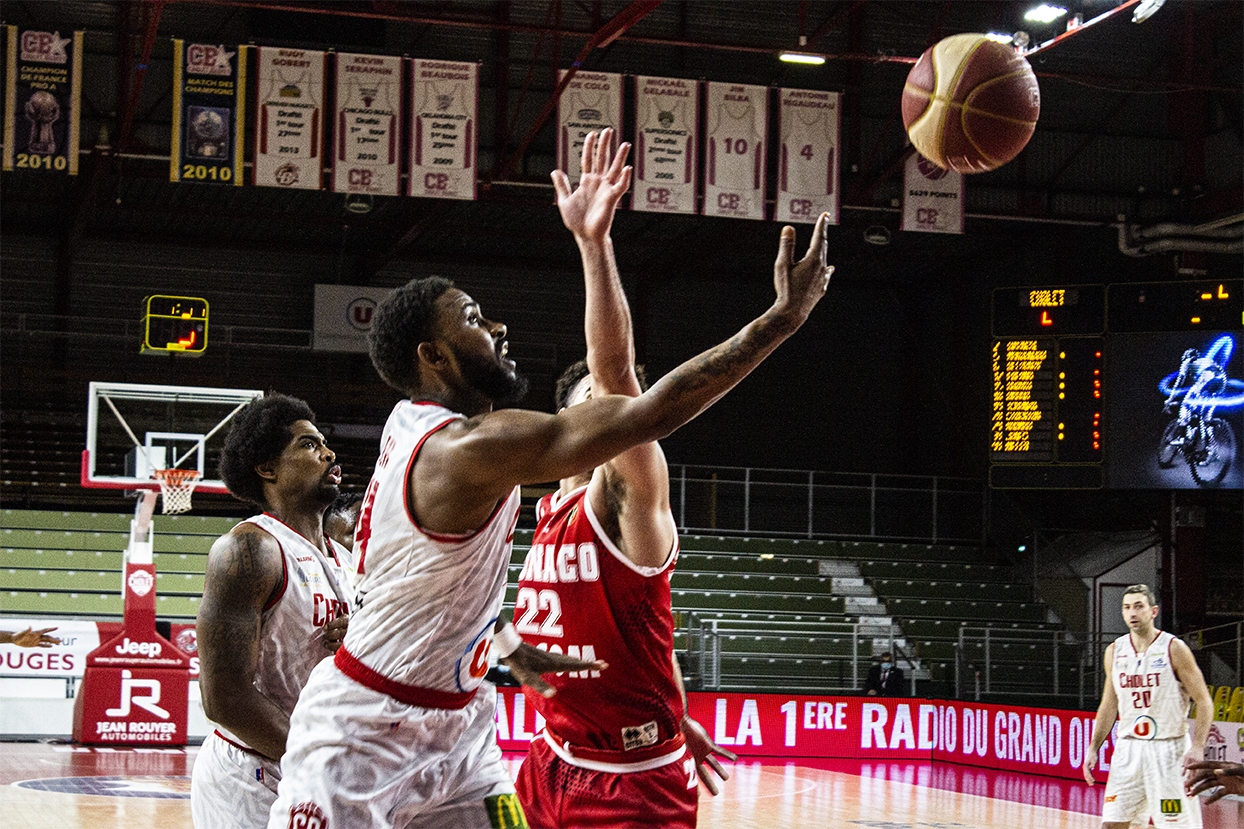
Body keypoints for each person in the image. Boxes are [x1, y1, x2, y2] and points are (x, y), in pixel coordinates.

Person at [267, 162, 834, 827]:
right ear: (435, 356)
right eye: (475, 319)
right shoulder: (473, 451)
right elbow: (637, 402)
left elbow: (439, 576)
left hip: (482, 737)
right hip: (371, 725)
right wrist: (781, 319)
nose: (498, 327)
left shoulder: (414, 424)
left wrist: (498, 643)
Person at [511, 130, 737, 829]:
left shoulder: (630, 501)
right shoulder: (549, 507)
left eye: (612, 419)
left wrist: (593, 243)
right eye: (589, 417)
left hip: (628, 784)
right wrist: (675, 709)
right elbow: (644, 636)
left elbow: (616, 380)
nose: (604, 426)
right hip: (547, 758)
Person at [191, 393, 354, 829]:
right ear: (268, 469)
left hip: (317, 764)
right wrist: (313, 761)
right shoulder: (248, 550)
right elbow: (224, 697)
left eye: (323, 442)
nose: (328, 452)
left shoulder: (347, 559)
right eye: (307, 444)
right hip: (253, 773)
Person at [1082, 583, 1213, 829]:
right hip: (1128, 749)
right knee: (1112, 824)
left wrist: (1198, 747)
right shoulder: (1114, 651)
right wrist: (1093, 747)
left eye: (1138, 607)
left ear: (1153, 611)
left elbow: (1204, 700)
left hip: (1168, 749)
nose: (1132, 613)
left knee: (1175, 825)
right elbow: (1109, 704)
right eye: (1127, 607)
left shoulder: (1174, 648)